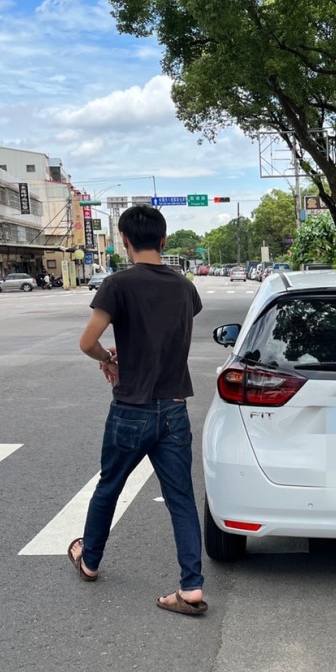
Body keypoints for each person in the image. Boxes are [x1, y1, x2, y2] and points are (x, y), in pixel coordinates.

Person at [68, 205, 207, 615]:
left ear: (125, 241)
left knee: (109, 486)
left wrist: (109, 359)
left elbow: (87, 342)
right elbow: (166, 337)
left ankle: (90, 561)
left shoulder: (118, 284)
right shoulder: (185, 288)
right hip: (175, 407)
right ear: (164, 241)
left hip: (131, 409)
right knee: (181, 497)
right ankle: (191, 588)